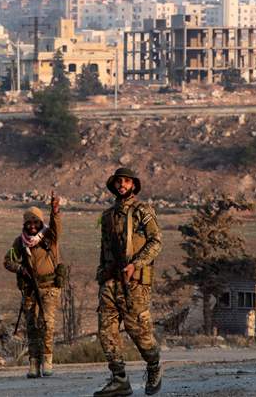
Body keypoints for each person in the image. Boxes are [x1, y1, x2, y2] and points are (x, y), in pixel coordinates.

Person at [94, 168, 163, 396]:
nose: (121, 185)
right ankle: (119, 378)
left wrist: (137, 263)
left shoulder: (143, 211)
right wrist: (102, 273)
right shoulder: (107, 216)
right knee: (106, 331)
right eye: (118, 182)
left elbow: (155, 241)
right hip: (110, 281)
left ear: (133, 185)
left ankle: (153, 366)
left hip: (134, 281)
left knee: (139, 331)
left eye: (126, 181)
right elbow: (104, 249)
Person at [3, 191, 61, 378]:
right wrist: (20, 269)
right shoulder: (20, 242)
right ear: (25, 224)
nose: (33, 226)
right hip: (29, 290)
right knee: (32, 327)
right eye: (29, 222)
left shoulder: (49, 237)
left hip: (49, 288)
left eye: (36, 222)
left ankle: (47, 360)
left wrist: (55, 210)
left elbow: (57, 226)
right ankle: (34, 363)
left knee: (47, 324)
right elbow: (7, 261)